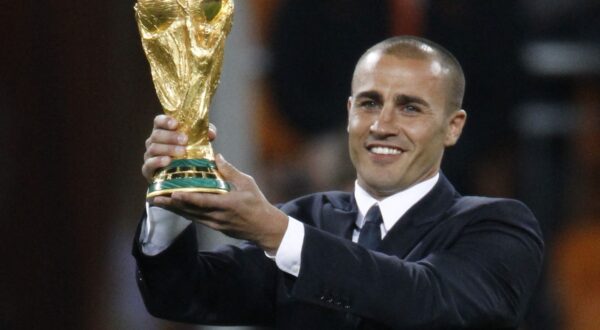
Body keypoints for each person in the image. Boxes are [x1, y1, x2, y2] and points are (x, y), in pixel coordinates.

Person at [133, 36, 544, 329]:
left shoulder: (498, 227)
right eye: (369, 103)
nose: (382, 125)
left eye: (410, 108)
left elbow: (426, 299)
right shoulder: (308, 218)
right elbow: (183, 294)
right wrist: (169, 198)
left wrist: (277, 233)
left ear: (452, 127)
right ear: (349, 113)